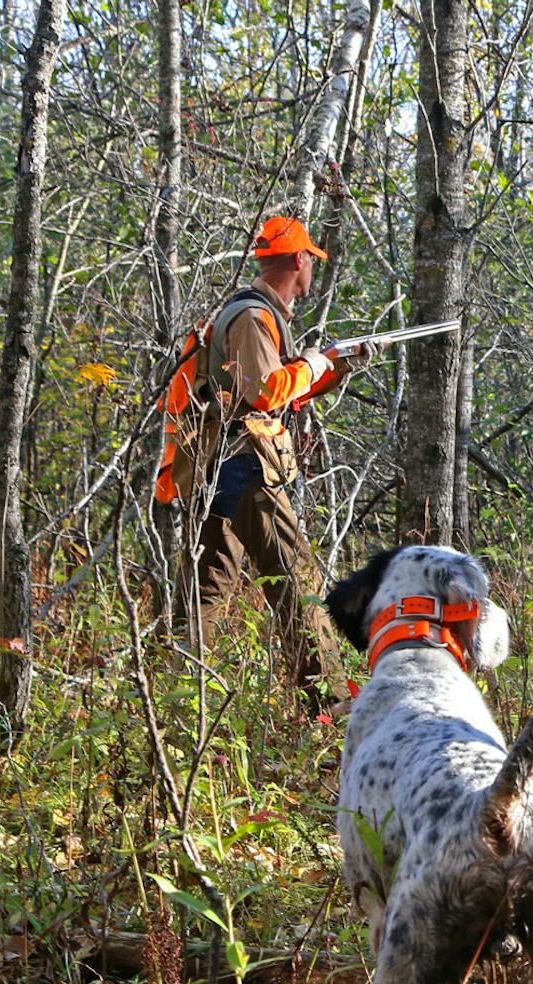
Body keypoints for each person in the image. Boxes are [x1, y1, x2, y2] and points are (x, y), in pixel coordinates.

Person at [177, 216, 361, 709]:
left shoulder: (249, 312)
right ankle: (330, 708)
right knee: (296, 584)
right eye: (310, 262)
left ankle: (168, 698)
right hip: (247, 468)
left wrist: (332, 367)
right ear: (299, 260)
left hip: (217, 465)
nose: (311, 274)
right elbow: (263, 393)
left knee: (205, 594)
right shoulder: (254, 317)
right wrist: (314, 363)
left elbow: (277, 392)